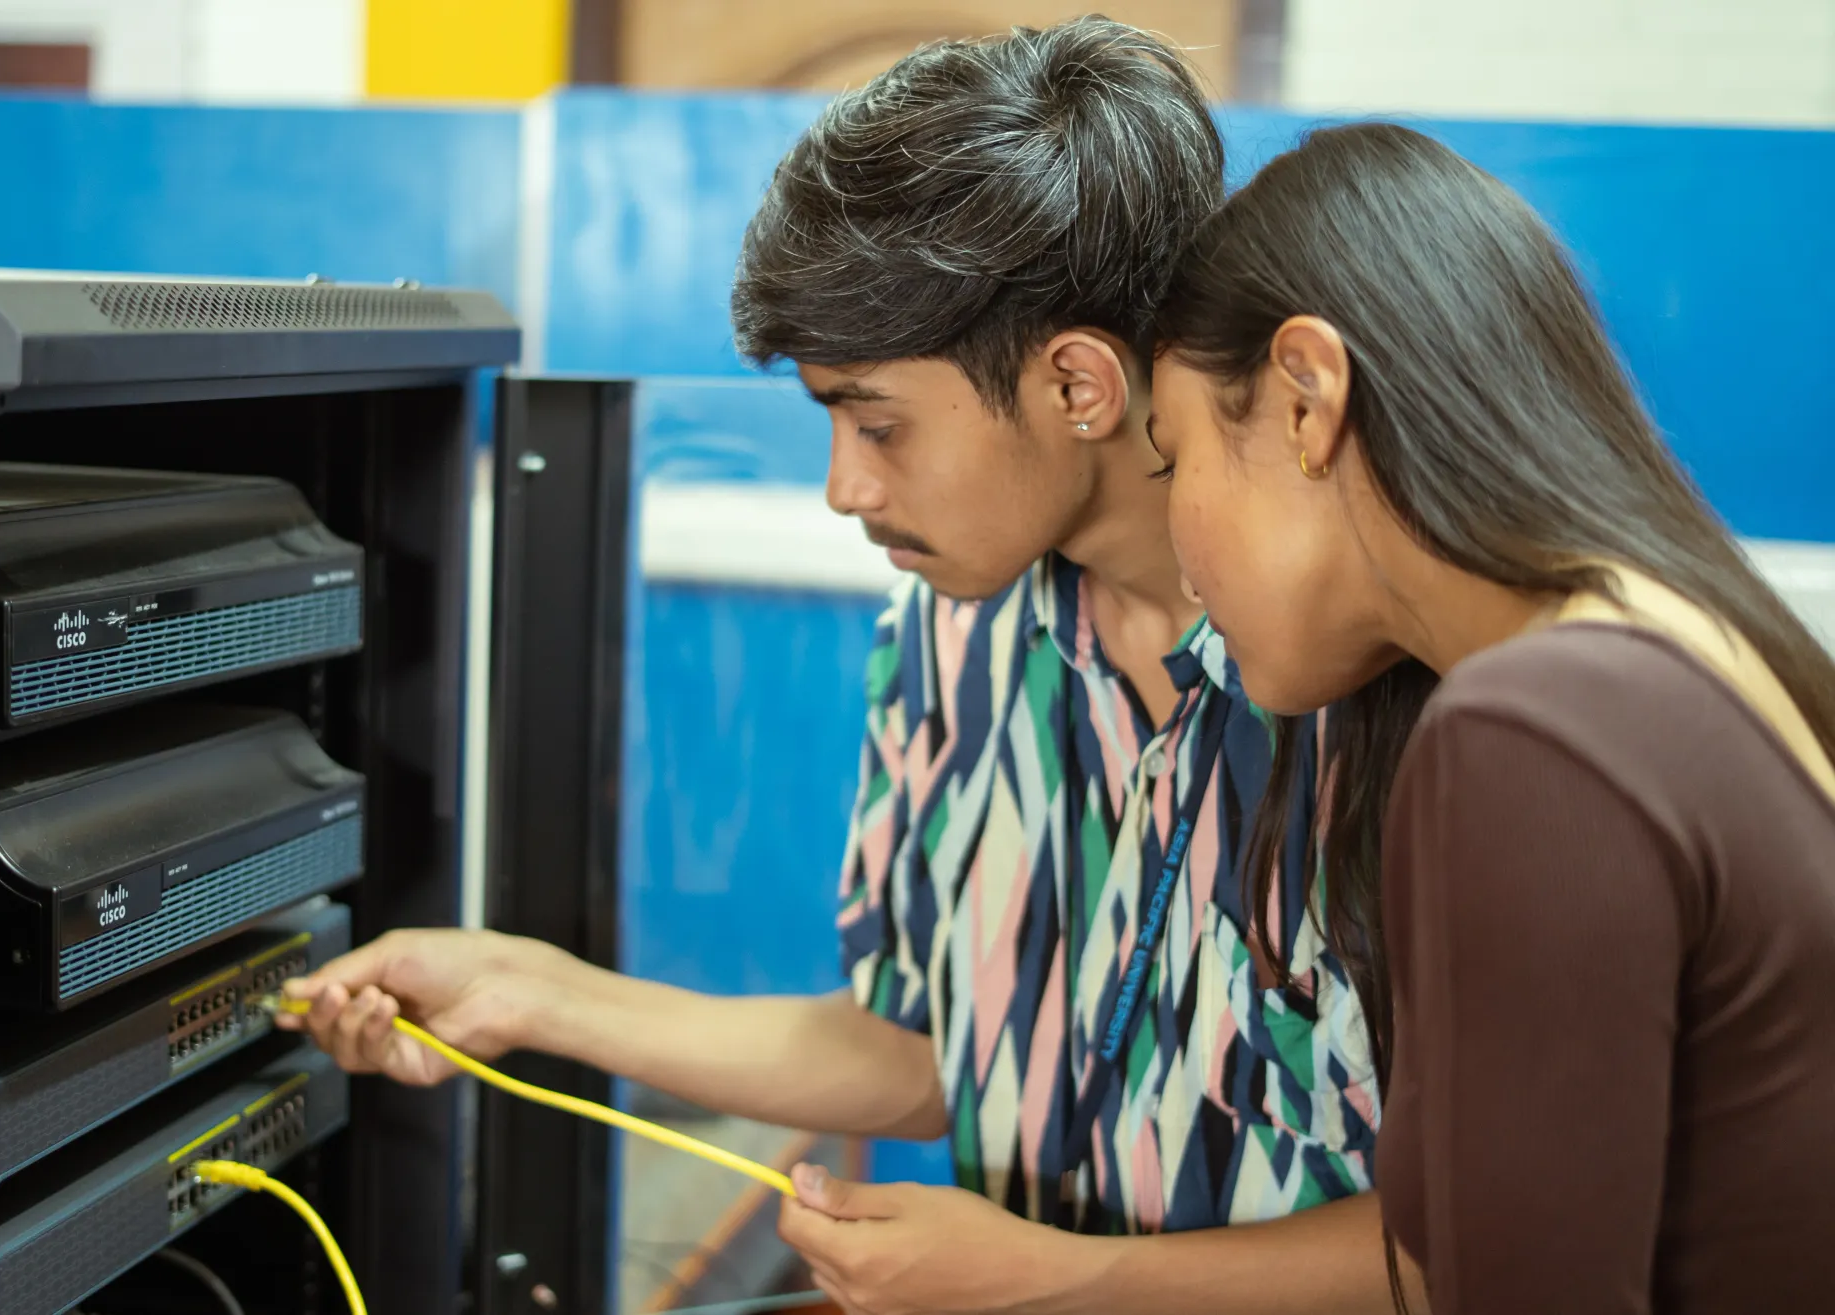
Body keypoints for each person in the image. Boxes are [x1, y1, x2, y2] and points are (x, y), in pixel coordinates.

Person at [283, 20, 1404, 1314]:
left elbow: (1480, 1242)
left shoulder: (1381, 689)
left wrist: (1069, 1279)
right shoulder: (954, 628)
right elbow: (916, 1050)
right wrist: (528, 988)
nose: (843, 489)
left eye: (879, 423)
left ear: (1080, 384)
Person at [1145, 120, 1835, 1314]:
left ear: (1306, 399)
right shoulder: (1685, 652)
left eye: (1175, 457)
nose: (1180, 552)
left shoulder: (1532, 732)